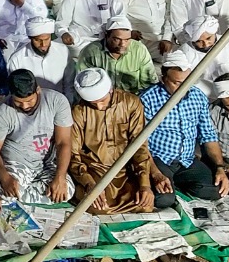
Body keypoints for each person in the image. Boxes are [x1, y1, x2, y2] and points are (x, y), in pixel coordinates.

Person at [68, 68, 171, 214]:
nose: (99, 107)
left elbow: (139, 146)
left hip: (125, 169)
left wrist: (144, 185)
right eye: (93, 103)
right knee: (98, 206)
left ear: (110, 90)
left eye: (102, 101)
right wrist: (89, 183)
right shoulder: (79, 111)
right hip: (95, 169)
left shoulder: (131, 103)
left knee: (144, 204)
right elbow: (73, 154)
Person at [140, 53, 229, 203]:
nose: (183, 88)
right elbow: (140, 144)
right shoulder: (147, 98)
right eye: (177, 83)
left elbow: (208, 136)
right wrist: (155, 173)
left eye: (187, 82)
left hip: (186, 160)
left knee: (223, 188)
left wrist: (220, 167)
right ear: (163, 79)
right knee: (163, 199)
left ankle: (178, 184)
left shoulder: (198, 97)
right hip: (158, 159)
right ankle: (170, 184)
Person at [0, 69, 75, 205]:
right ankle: (21, 193)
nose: (25, 106)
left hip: (47, 164)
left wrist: (60, 176)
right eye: (18, 102)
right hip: (17, 164)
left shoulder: (57, 101)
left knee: (66, 191)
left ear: (38, 90)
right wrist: (4, 178)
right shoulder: (1, 112)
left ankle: (22, 194)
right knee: (5, 192)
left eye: (29, 101)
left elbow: (63, 142)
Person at [78, 16, 158, 94]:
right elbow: (83, 84)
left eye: (127, 40)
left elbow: (149, 82)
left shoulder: (139, 50)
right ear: (106, 36)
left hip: (132, 99)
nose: (122, 44)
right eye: (117, 39)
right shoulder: (90, 52)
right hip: (102, 99)